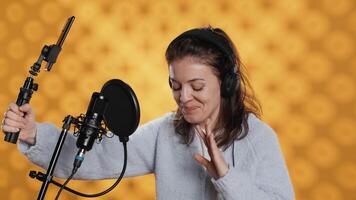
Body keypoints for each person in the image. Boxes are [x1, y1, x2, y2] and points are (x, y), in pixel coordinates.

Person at [1, 27, 294, 199]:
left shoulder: (258, 139)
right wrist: (35, 134)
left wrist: (226, 177)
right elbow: (94, 158)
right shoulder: (166, 133)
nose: (184, 97)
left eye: (197, 86)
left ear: (226, 83)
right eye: (175, 86)